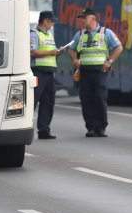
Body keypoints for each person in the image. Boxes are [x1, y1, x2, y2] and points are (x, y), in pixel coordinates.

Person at [67, 8, 123, 137]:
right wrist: (75, 59)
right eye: (81, 18)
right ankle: (90, 127)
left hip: (100, 71)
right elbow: (71, 49)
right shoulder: (80, 35)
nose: (82, 20)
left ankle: (101, 127)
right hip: (85, 72)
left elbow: (119, 47)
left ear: (92, 18)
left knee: (99, 98)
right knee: (86, 99)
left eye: (84, 17)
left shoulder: (106, 33)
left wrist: (109, 61)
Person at [30, 10, 63, 140]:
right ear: (46, 21)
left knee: (48, 102)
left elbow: (49, 52)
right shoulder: (34, 34)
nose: (53, 24)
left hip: (49, 72)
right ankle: (24, 128)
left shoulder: (48, 35)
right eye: (52, 22)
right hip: (38, 71)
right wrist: (50, 53)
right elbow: (32, 52)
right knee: (33, 101)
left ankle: (44, 130)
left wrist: (58, 52)